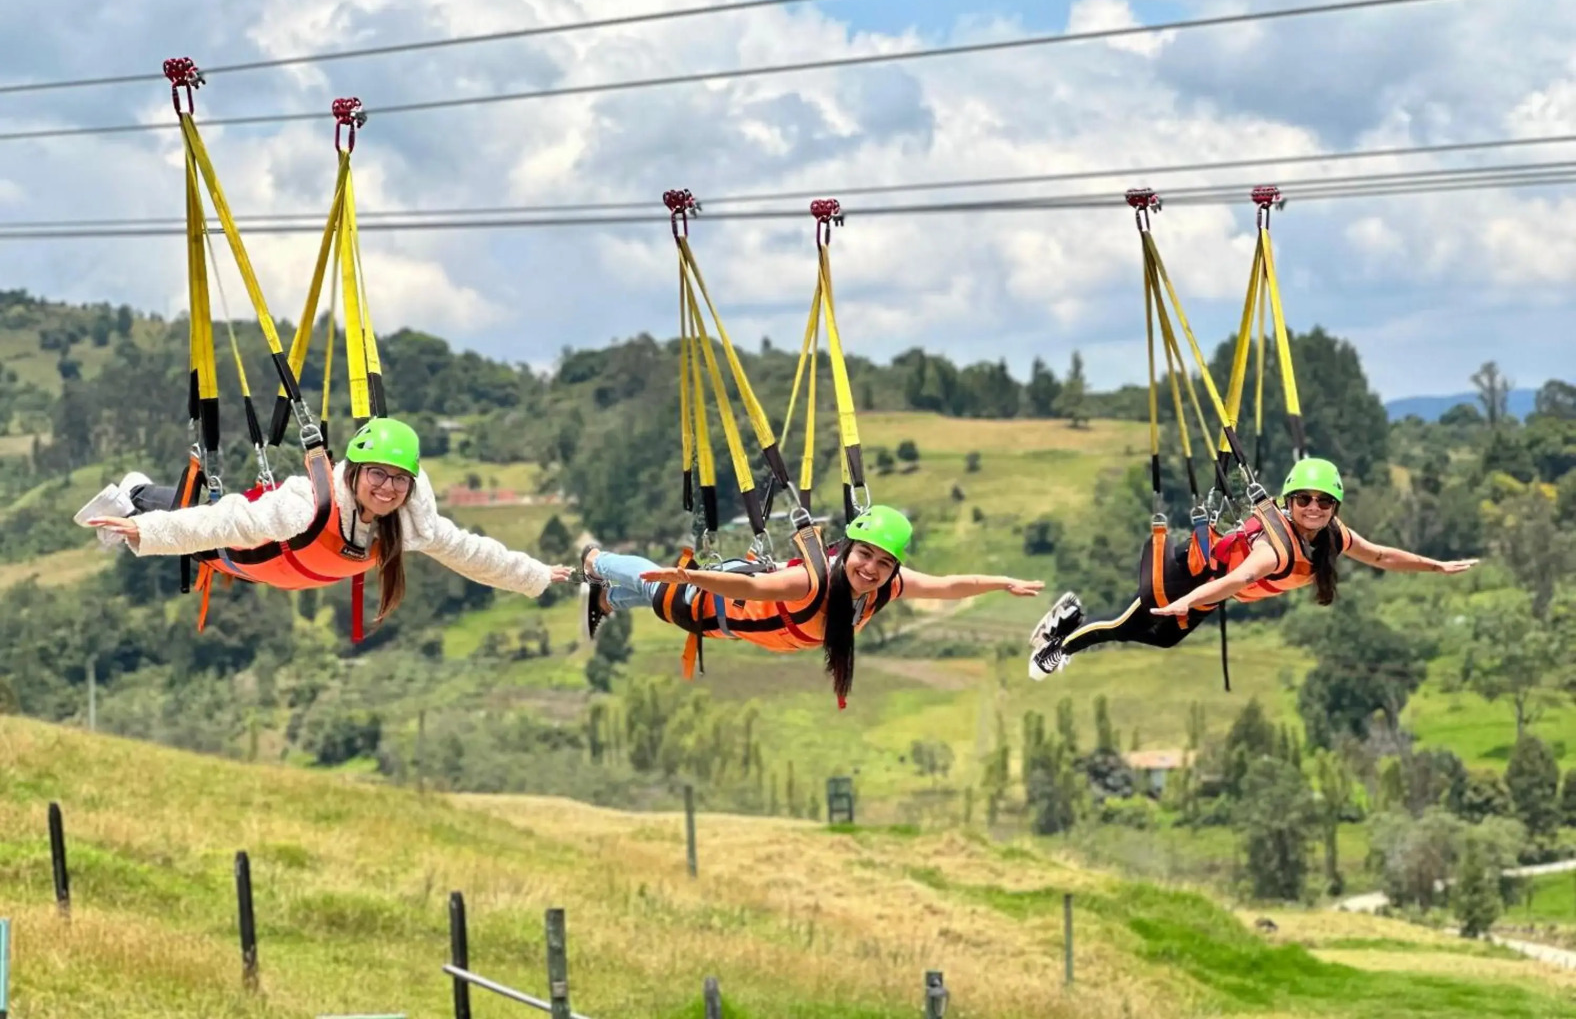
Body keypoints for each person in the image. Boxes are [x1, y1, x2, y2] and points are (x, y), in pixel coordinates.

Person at [77, 417, 574, 630]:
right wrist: (149, 533)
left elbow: (472, 552)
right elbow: (230, 521)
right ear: (355, 472)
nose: (387, 488)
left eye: (399, 480)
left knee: (215, 525)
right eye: (377, 474)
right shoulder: (307, 504)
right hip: (247, 552)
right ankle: (135, 497)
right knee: (214, 522)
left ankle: (136, 501)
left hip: (282, 572)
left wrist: (533, 574)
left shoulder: (407, 522)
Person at [1027, 457, 1478, 679]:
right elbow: (1237, 578)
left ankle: (1067, 621)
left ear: (1334, 506)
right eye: (1304, 500)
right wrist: (1183, 601)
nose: (1314, 508)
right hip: (1192, 574)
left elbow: (1380, 555)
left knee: (1160, 640)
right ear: (1288, 501)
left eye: (1323, 502)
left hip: (1209, 588)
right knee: (1129, 625)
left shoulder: (1333, 537)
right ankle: (1060, 639)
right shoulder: (1275, 549)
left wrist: (1435, 567)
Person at [579, 504, 1043, 707]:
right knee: (663, 597)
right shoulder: (810, 581)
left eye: (884, 563)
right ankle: (596, 561)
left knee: (658, 599)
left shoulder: (885, 588)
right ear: (848, 546)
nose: (870, 568)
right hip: (720, 599)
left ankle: (602, 597)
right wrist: (688, 576)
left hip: (732, 623)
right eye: (864, 555)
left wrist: (1004, 583)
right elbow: (759, 592)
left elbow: (946, 586)